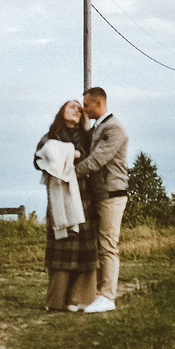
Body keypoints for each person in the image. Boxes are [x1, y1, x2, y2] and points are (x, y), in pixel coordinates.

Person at [73, 86, 129, 312]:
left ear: (98, 103)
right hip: (100, 194)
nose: (84, 109)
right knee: (98, 245)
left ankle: (107, 297)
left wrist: (68, 174)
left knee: (107, 245)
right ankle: (96, 294)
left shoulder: (114, 129)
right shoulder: (98, 128)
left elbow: (97, 160)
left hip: (111, 195)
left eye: (86, 105)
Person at [35, 99, 94, 312]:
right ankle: (57, 300)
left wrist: (68, 154)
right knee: (61, 246)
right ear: (62, 112)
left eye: (79, 109)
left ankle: (77, 299)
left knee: (83, 250)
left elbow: (89, 157)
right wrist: (70, 153)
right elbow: (38, 158)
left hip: (84, 196)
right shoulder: (50, 136)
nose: (76, 110)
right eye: (72, 106)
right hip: (59, 198)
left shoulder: (87, 138)